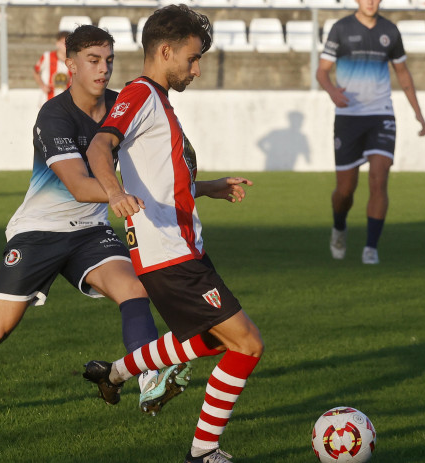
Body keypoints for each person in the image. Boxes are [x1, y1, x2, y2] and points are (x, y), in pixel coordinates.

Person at [0, 25, 190, 424]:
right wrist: (118, 195)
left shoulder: (122, 106)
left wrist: (204, 186)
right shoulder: (54, 115)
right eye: (93, 60)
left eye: (109, 60)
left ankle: (150, 381)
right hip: (39, 232)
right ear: (70, 64)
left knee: (134, 288)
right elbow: (77, 185)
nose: (103, 69)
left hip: (90, 231)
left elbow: (155, 169)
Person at [83, 6, 264, 463]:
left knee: (216, 338)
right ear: (165, 51)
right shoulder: (141, 94)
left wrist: (209, 188)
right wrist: (113, 192)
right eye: (192, 57)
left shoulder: (157, 102)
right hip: (169, 254)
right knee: (247, 344)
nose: (197, 69)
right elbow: (99, 144)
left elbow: (162, 180)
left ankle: (115, 373)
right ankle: (203, 452)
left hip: (182, 250)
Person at [316, 0, 425, 265]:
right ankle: (339, 226)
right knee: (345, 190)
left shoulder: (390, 31)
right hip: (348, 117)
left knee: (379, 179)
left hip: (381, 115)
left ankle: (370, 248)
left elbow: (402, 72)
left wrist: (418, 112)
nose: (371, 2)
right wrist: (332, 92)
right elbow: (322, 71)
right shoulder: (341, 29)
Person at [33, 30, 71, 106]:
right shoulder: (47, 56)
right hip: (48, 100)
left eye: (68, 43)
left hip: (67, 102)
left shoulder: (74, 60)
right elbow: (36, 71)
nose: (66, 45)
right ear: (57, 44)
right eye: (63, 43)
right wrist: (43, 86)